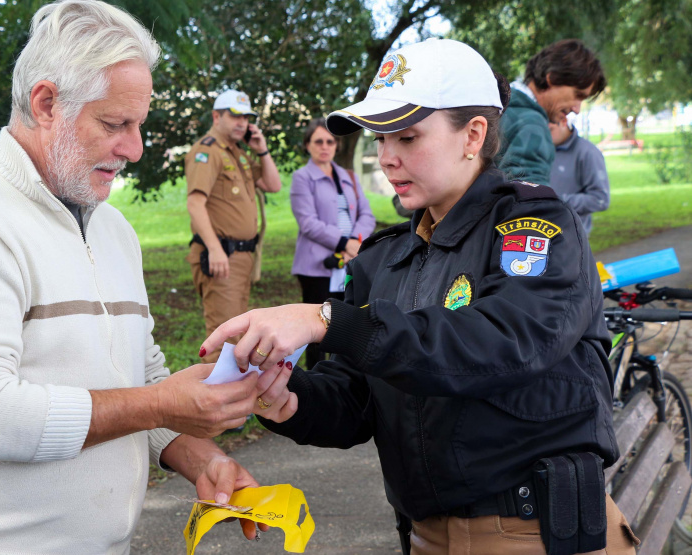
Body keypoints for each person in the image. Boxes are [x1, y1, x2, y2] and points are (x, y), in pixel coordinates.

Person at [201, 38, 638, 555]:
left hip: (533, 532)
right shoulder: (383, 259)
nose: (387, 158)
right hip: (425, 534)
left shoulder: (535, 228)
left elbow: (504, 341)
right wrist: (287, 398)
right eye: (380, 138)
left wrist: (327, 320)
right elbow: (357, 399)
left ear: (473, 134)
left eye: (406, 137)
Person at [0, 2, 279, 553]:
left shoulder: (113, 229)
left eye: (138, 124)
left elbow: (138, 375)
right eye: (115, 123)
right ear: (46, 103)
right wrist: (163, 404)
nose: (135, 148)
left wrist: (201, 458)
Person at [185, 89, 282, 363]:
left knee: (238, 336)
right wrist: (215, 250)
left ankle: (234, 403)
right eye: (235, 116)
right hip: (222, 257)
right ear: (216, 116)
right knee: (223, 341)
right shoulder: (207, 151)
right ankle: (216, 403)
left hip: (240, 259)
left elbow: (273, 185)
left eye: (246, 118)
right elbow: (195, 204)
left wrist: (261, 149)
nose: (242, 123)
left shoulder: (238, 154)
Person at [289, 118, 375, 368]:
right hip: (316, 267)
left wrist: (355, 243)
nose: (325, 146)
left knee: (344, 322)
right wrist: (344, 243)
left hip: (349, 260)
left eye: (330, 141)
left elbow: (367, 214)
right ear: (308, 145)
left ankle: (340, 378)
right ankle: (314, 380)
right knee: (314, 330)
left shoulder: (348, 176)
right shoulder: (302, 178)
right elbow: (307, 222)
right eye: (318, 141)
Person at [496, 39, 606, 186]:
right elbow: (530, 205)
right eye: (578, 95)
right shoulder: (532, 126)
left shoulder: (497, 108)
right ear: (552, 78)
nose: (577, 109)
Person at [548, 119, 610, 235]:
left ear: (563, 122)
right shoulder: (541, 148)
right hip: (538, 237)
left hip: (571, 239)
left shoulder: (588, 152)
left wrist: (556, 201)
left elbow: (600, 199)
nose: (545, 135)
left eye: (550, 130)